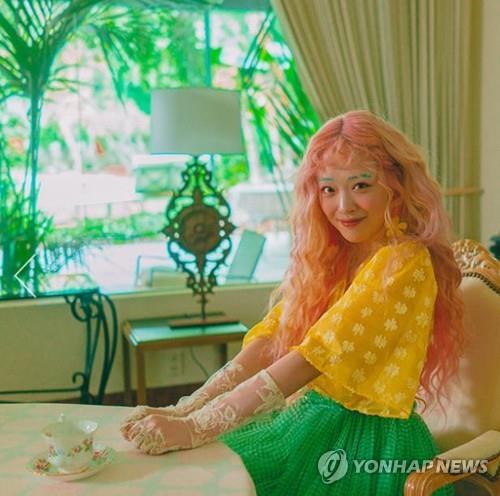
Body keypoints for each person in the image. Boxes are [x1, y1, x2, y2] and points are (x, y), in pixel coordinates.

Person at [120, 110, 463, 495]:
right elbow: (273, 339)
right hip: (310, 419)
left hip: (368, 445)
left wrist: (194, 427)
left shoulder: (404, 261)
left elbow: (309, 359)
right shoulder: (335, 256)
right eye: (328, 189)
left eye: (361, 185)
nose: (343, 206)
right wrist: (187, 407)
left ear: (395, 186)